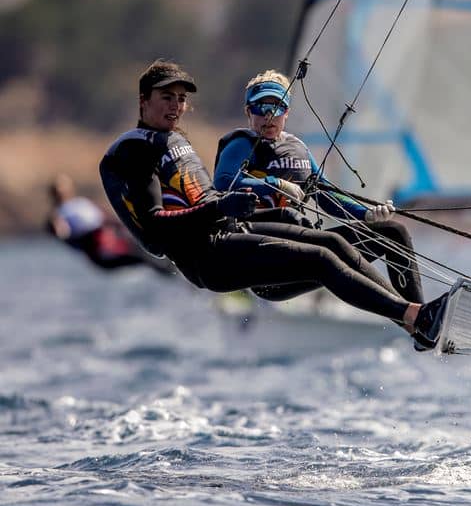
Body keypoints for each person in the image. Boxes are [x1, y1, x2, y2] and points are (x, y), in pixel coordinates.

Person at [98, 59, 446, 349]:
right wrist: (225, 206)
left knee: (334, 242)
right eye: (166, 97)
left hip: (228, 236)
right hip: (207, 258)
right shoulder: (134, 150)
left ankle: (413, 316)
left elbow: (219, 199)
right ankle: (414, 317)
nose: (176, 105)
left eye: (180, 98)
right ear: (143, 100)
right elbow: (156, 231)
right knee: (322, 257)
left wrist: (362, 213)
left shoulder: (173, 140)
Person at [212, 70, 423, 305]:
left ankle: (420, 318)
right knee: (332, 246)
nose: (269, 116)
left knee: (393, 232)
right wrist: (275, 184)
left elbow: (327, 196)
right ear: (248, 112)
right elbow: (223, 182)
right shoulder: (241, 144)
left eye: (278, 107)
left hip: (305, 252)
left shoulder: (297, 148)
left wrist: (367, 214)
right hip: (264, 267)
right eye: (261, 108)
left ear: (287, 112)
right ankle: (410, 313)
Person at [47, 172, 170, 272]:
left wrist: (125, 225)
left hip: (112, 239)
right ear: (54, 193)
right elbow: (61, 232)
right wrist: (58, 229)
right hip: (101, 251)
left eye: (65, 187)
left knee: (147, 249)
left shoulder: (81, 202)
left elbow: (105, 217)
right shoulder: (57, 215)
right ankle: (173, 275)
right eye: (60, 189)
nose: (64, 191)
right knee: (143, 258)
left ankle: (173, 269)